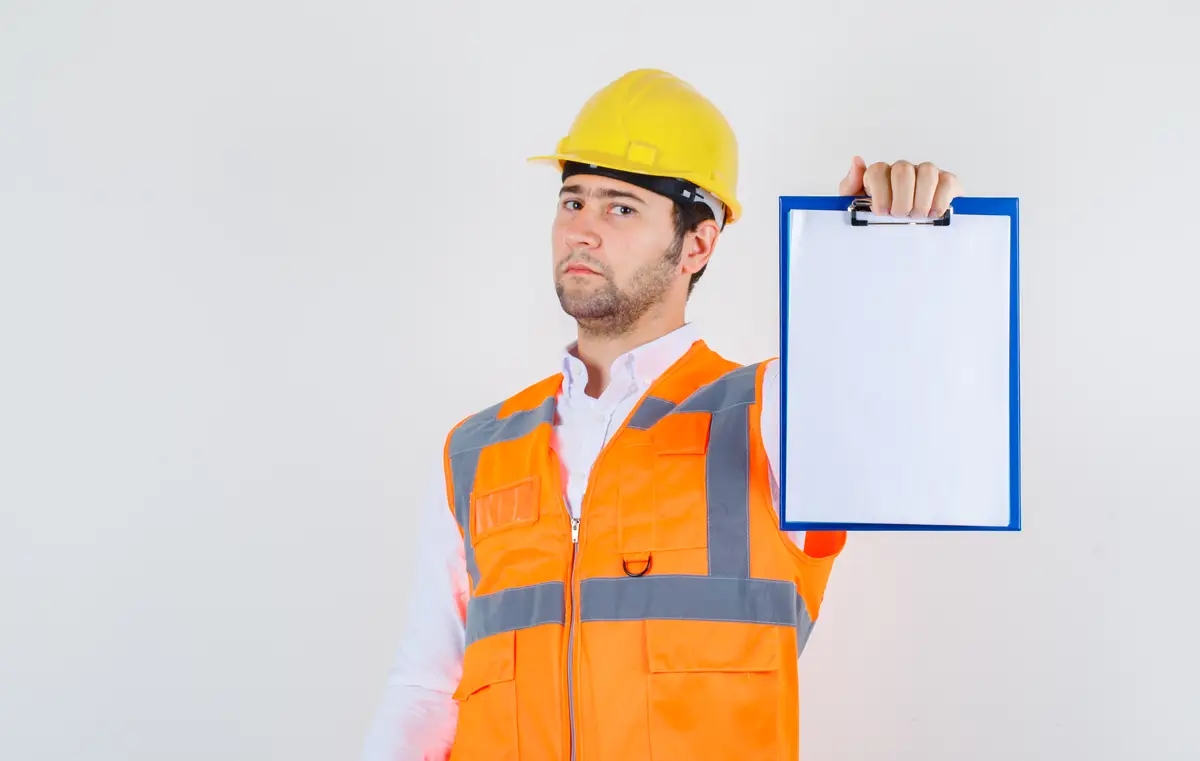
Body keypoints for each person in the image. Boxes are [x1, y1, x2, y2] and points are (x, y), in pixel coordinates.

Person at [360, 68, 963, 761]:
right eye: (573, 200)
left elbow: (893, 391)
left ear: (698, 244)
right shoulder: (474, 450)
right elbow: (426, 688)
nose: (582, 231)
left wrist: (880, 246)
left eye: (621, 208)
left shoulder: (771, 416)